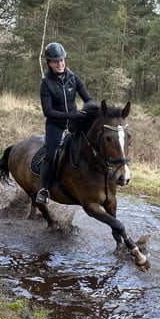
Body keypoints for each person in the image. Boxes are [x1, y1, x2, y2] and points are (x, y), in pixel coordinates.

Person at [37, 41, 95, 204]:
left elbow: (88, 98)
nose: (60, 64)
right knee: (50, 155)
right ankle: (44, 189)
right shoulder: (46, 83)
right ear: (49, 63)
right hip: (55, 124)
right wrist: (72, 115)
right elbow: (47, 112)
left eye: (62, 60)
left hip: (75, 123)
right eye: (56, 61)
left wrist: (93, 110)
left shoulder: (73, 78)